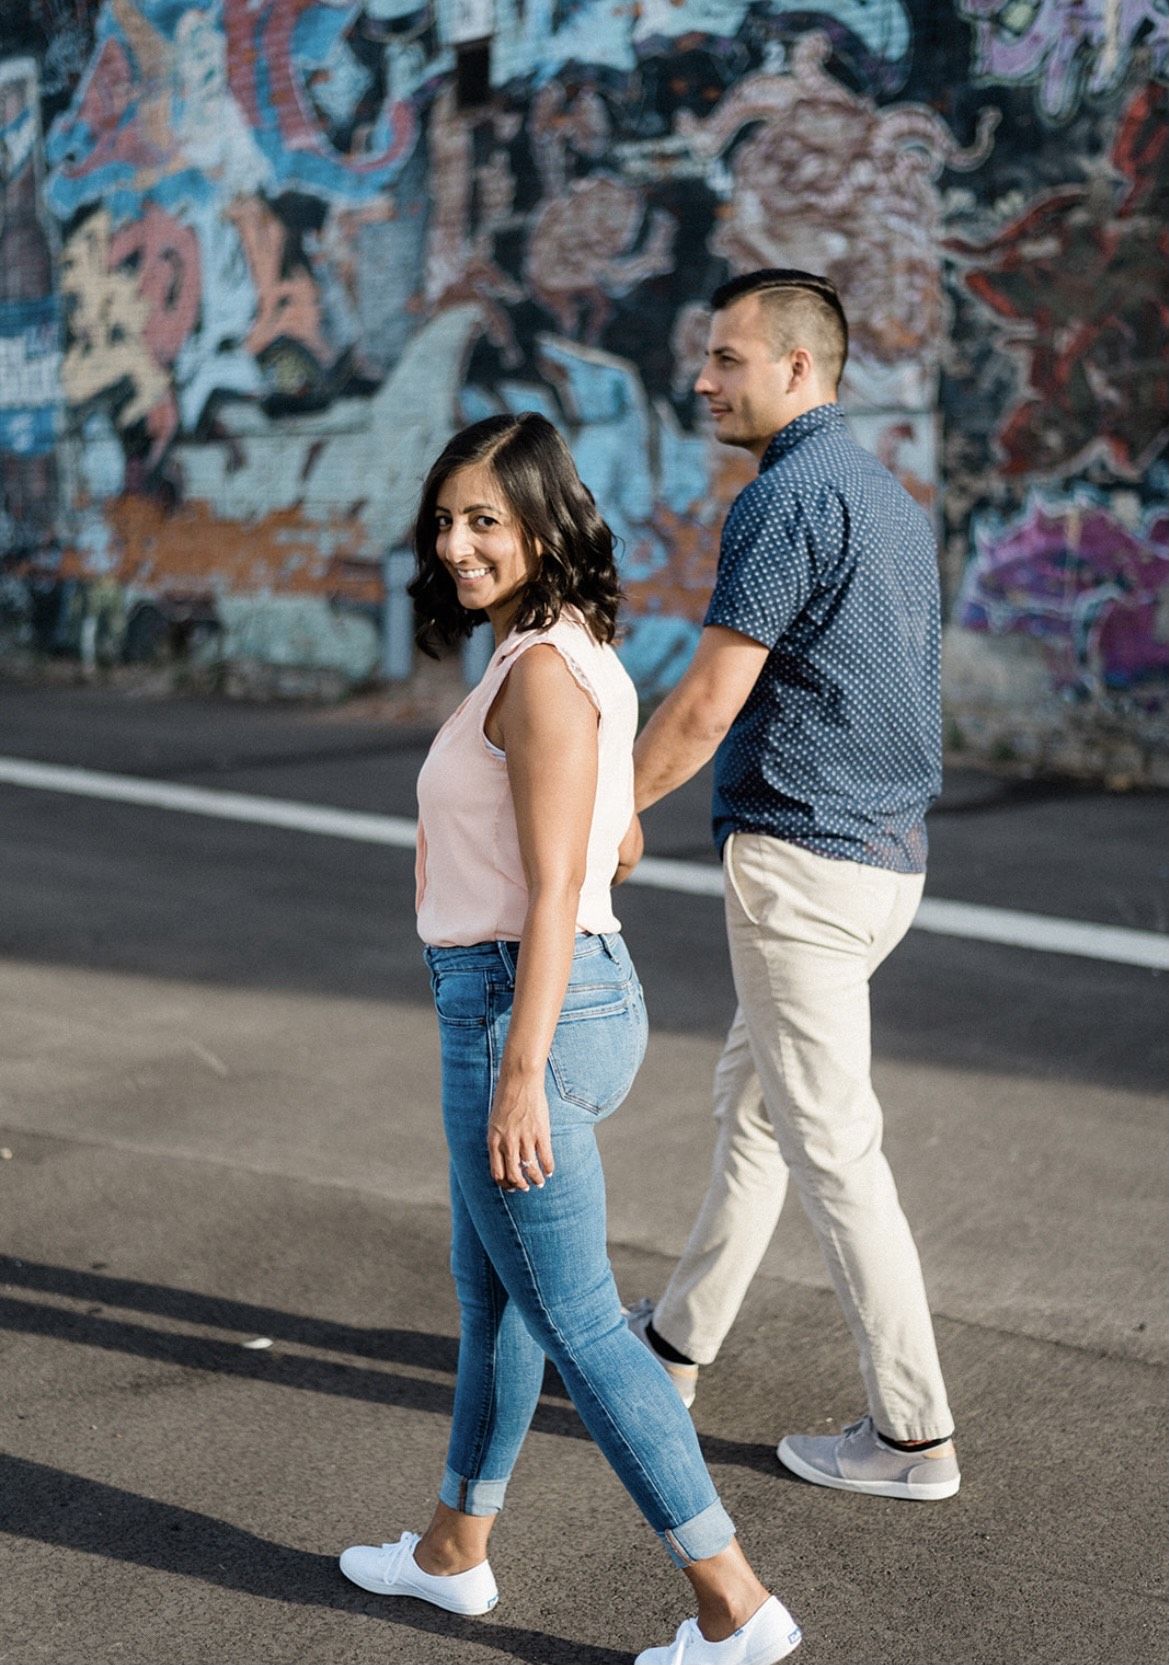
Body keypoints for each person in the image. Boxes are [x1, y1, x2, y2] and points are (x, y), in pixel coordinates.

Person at [339, 412, 803, 1665]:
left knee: (584, 1324)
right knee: (495, 1301)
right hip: (555, 993)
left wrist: (522, 1075)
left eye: (484, 519)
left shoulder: (540, 674)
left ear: (544, 523)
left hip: (512, 1011)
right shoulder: (576, 652)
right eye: (446, 520)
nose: (456, 543)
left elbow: (555, 889)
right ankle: (451, 1551)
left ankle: (733, 1604)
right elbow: (617, 840)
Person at [626, 270, 960, 1502]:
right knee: (755, 1110)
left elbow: (709, 699)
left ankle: (911, 1437)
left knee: (832, 1150)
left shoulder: (783, 500)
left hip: (801, 871)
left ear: (798, 371)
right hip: (883, 867)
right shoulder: (883, 495)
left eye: (725, 358)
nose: (702, 380)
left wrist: (613, 808)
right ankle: (671, 1343)